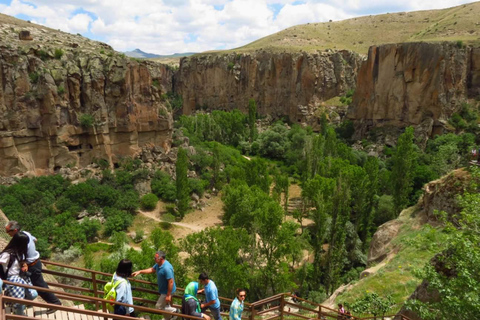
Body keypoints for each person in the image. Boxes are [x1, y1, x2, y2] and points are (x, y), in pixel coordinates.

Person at [5, 221, 61, 313]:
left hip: (32, 266)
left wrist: (24, 263)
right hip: (36, 262)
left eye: (8, 231)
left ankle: (55, 303)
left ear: (14, 230)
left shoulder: (20, 240)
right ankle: (26, 302)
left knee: (40, 286)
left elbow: (20, 254)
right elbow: (35, 239)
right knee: (34, 285)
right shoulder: (25, 233)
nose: (8, 234)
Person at [132, 251, 177, 320]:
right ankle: (169, 318)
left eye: (155, 258)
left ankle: (174, 311)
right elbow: (152, 269)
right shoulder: (158, 264)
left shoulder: (166, 268)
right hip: (163, 291)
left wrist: (168, 295)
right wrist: (140, 271)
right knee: (165, 306)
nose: (154, 259)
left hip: (166, 291)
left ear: (161, 258)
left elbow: (171, 282)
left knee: (158, 307)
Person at [1, 232, 31, 315]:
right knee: (19, 302)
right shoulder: (7, 254)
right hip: (11, 279)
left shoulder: (20, 254)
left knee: (32, 294)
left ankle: (16, 309)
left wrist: (24, 264)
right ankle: (18, 315)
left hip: (19, 277)